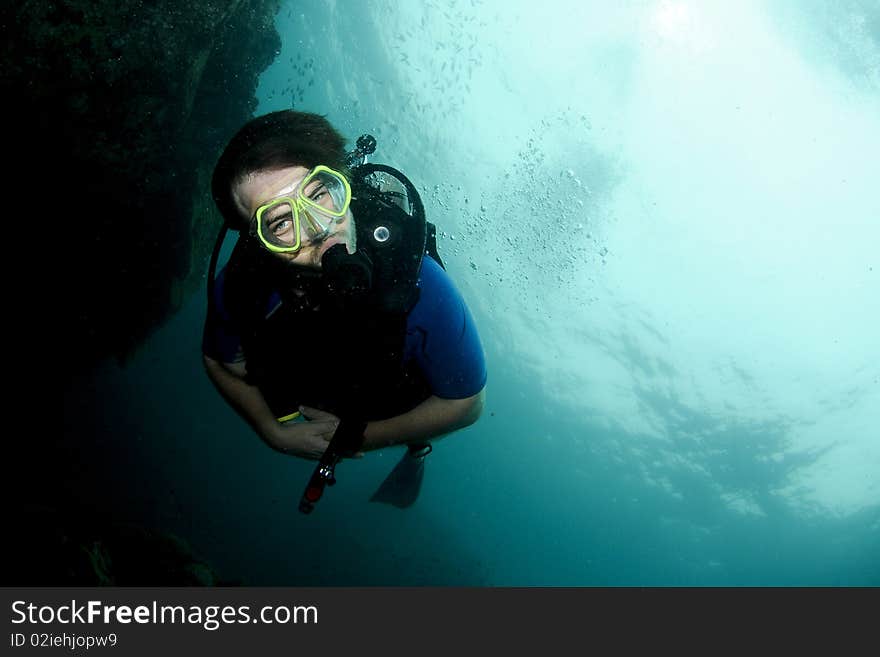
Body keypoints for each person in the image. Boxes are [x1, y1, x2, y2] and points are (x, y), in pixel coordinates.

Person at [202, 110, 486, 510]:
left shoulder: (418, 281)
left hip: (390, 391)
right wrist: (271, 430)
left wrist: (357, 437)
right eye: (281, 222)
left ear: (344, 183)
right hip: (314, 379)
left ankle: (417, 449)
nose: (318, 227)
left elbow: (467, 403)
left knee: (407, 401)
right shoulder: (243, 286)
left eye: (319, 194)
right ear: (258, 241)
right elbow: (218, 360)